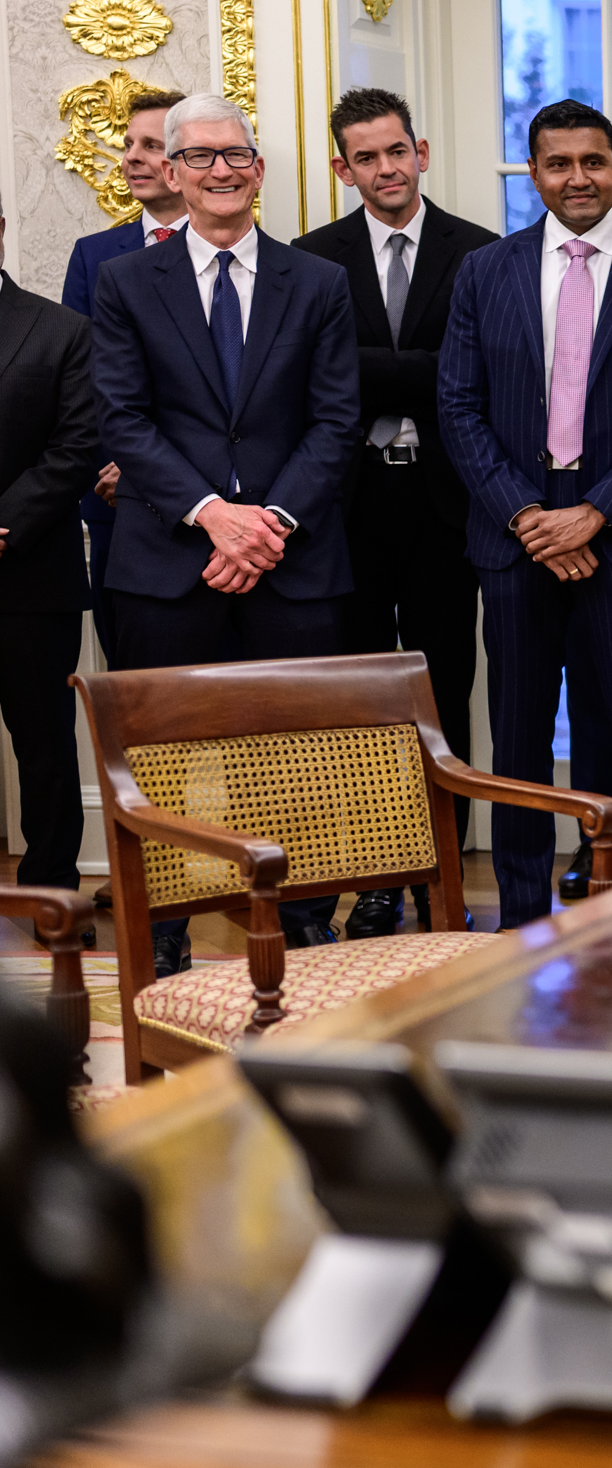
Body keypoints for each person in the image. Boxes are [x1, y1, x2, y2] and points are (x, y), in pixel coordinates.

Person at [91, 95, 364, 967]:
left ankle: (303, 921)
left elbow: (337, 421)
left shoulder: (316, 282)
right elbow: (123, 420)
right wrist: (214, 517)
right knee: (161, 762)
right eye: (199, 157)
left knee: (296, 757)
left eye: (235, 156)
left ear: (259, 169)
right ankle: (162, 931)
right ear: (170, 173)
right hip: (168, 560)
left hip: (294, 561)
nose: (219, 171)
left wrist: (269, 523)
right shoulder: (125, 282)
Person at [438, 97, 612, 927]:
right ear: (533, 174)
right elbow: (459, 406)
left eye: (593, 163)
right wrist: (529, 515)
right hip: (515, 538)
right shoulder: (486, 271)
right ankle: (524, 917)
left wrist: (594, 514)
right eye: (558, 164)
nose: (578, 178)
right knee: (519, 743)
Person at [293, 87, 501, 938]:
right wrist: (422, 366)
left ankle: (438, 878)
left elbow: (469, 376)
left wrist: (375, 365)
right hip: (345, 508)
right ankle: (374, 879)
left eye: (396, 152)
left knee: (441, 698)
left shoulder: (482, 253)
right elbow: (321, 378)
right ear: (344, 168)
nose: (385, 169)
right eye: (365, 158)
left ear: (421, 151)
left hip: (447, 509)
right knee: (355, 706)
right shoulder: (310, 260)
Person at [0, 195, 101, 924]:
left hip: (31, 574)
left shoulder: (60, 329)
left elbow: (75, 450)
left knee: (42, 743)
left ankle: (50, 892)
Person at [61, 86, 186, 668]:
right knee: (136, 684)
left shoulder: (240, 249)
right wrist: (124, 468)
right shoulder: (95, 256)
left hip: (218, 502)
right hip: (117, 502)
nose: (131, 157)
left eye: (151, 146)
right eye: (129, 143)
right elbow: (84, 380)